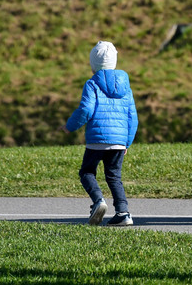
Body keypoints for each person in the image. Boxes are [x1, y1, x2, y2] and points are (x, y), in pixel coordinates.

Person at [59, 41, 139, 226]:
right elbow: (132, 118)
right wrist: (126, 142)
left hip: (97, 139)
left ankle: (98, 201)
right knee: (114, 176)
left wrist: (69, 126)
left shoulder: (92, 83)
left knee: (87, 172)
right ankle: (124, 213)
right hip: (119, 142)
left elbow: (86, 109)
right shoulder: (126, 87)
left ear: (92, 63)